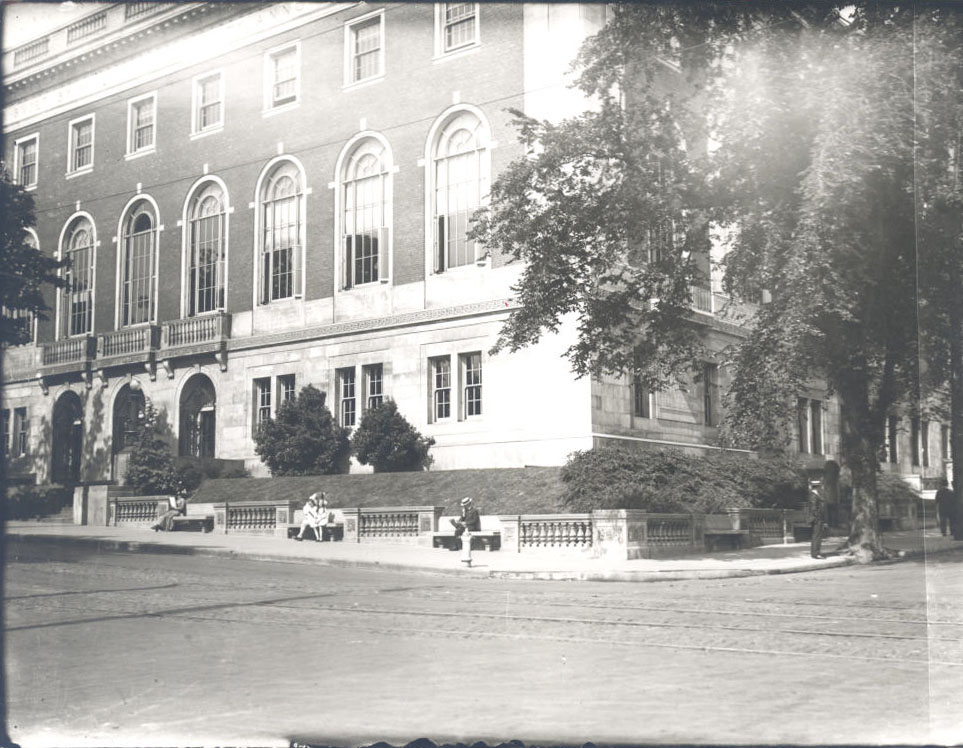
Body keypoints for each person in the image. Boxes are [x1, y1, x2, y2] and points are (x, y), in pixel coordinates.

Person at [808, 482, 827, 559]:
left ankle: (815, 553)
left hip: (817, 518)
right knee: (817, 536)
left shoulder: (815, 495)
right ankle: (816, 553)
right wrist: (818, 517)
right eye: (820, 486)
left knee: (816, 536)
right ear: (817, 487)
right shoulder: (814, 496)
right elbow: (814, 509)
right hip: (817, 519)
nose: (821, 488)